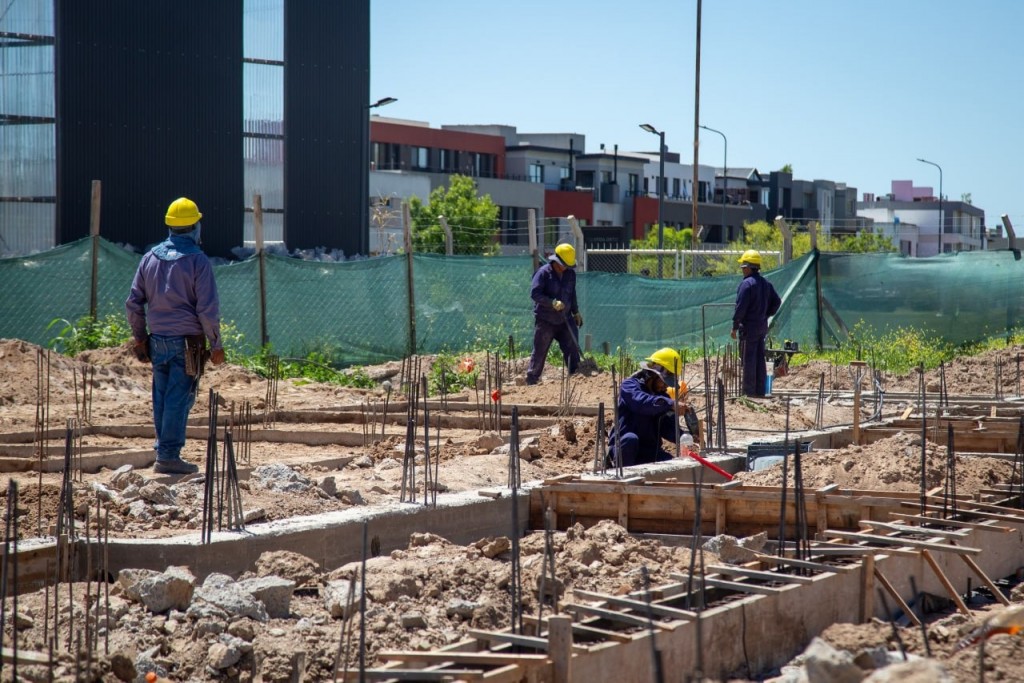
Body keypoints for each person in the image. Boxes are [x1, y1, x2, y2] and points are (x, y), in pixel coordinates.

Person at [126, 197, 225, 475]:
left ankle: (164, 451)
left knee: (161, 396)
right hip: (188, 344)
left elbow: (133, 303)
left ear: (170, 227)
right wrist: (216, 344)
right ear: (195, 227)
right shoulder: (198, 261)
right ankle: (168, 456)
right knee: (179, 398)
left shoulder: (150, 258)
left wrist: (140, 338)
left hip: (158, 341)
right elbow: (207, 309)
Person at [608, 348, 695, 468]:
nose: (665, 387)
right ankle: (619, 474)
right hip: (625, 449)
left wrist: (686, 438)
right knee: (630, 439)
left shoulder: (662, 397)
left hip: (648, 452)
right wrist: (670, 404)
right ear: (653, 373)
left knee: (671, 465)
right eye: (664, 382)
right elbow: (641, 402)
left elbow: (667, 427)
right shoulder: (629, 386)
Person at [525, 243, 581, 385]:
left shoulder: (570, 274)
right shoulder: (543, 273)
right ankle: (532, 380)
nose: (567, 267)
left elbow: (572, 294)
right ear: (557, 260)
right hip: (546, 320)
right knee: (539, 351)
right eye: (564, 264)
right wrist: (552, 303)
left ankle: (577, 377)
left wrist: (576, 312)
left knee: (573, 347)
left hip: (565, 319)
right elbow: (535, 294)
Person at [731, 249, 781, 398]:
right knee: (760, 358)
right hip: (761, 326)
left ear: (747, 267)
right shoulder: (766, 283)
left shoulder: (746, 285)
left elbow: (740, 308)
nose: (742, 270)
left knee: (749, 359)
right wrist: (766, 314)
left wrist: (734, 326)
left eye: (743, 267)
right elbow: (777, 302)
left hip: (749, 327)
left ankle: (748, 392)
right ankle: (760, 390)